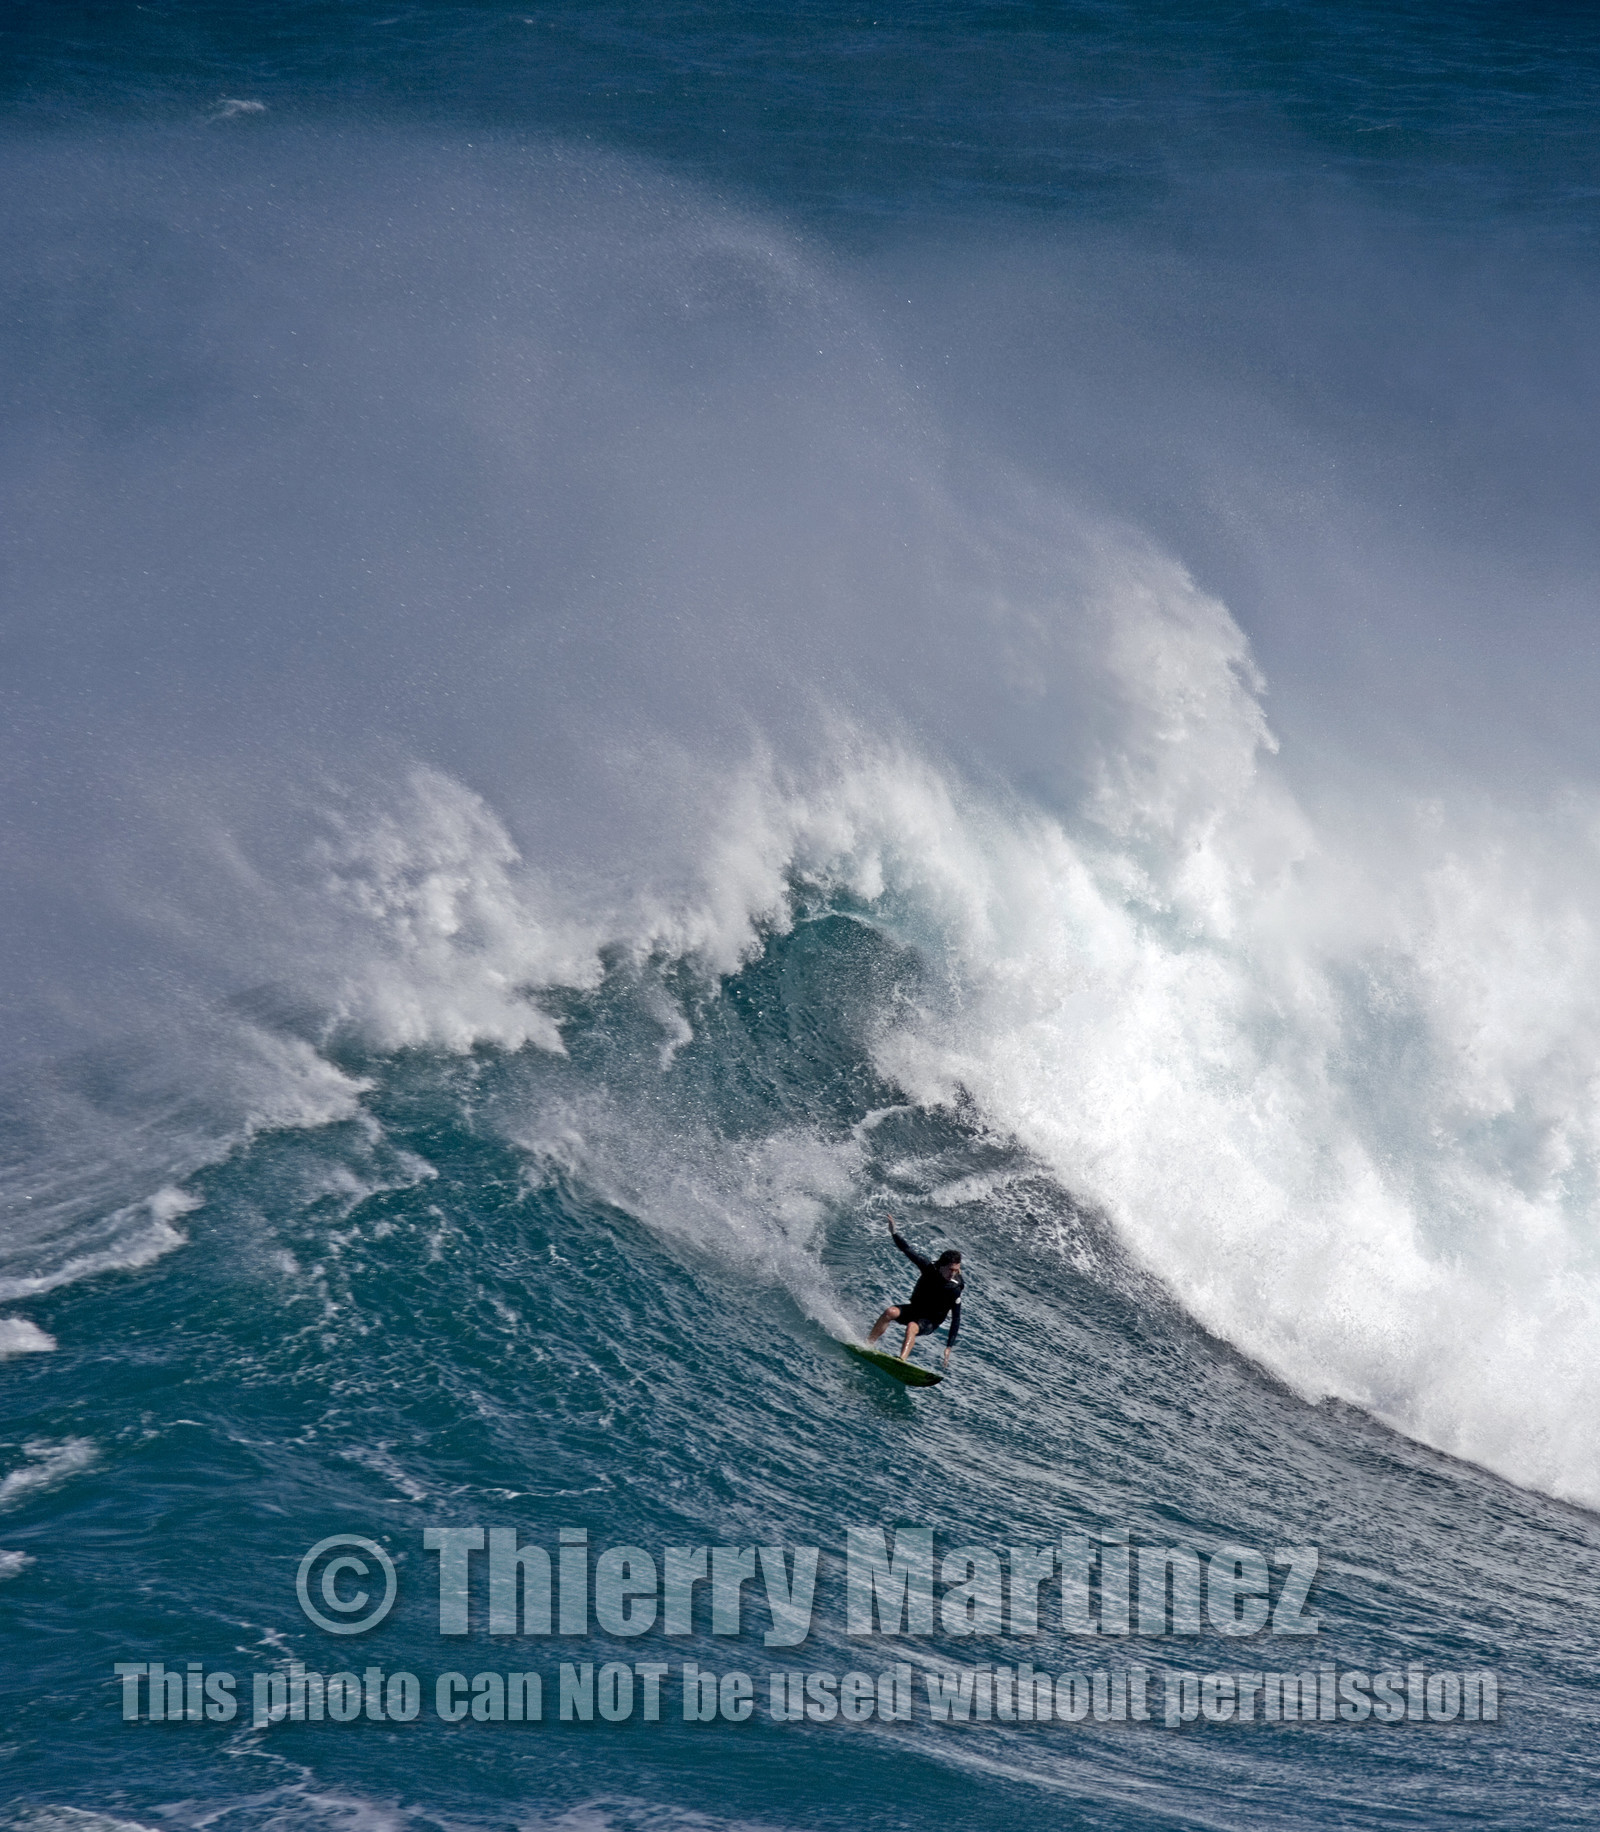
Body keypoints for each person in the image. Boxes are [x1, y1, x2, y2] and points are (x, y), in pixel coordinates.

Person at [867, 1213, 964, 1366]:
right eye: (951, 1269)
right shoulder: (929, 1268)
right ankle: (868, 1345)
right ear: (942, 1265)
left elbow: (956, 1319)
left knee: (912, 1326)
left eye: (956, 1270)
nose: (953, 1273)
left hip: (930, 1321)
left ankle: (901, 1360)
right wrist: (894, 1232)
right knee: (890, 1312)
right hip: (915, 1309)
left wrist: (949, 1347)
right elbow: (907, 1250)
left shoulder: (955, 1287)